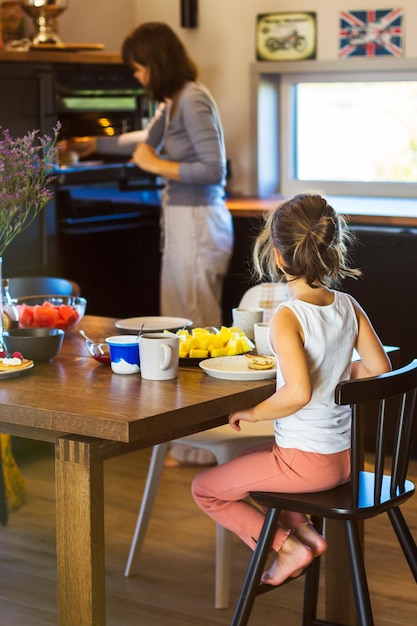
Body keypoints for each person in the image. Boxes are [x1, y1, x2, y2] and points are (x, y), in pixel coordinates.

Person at [191, 193, 391, 585]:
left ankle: (287, 546)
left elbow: (297, 393)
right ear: (331, 249)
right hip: (344, 459)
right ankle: (304, 535)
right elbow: (378, 366)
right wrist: (335, 373)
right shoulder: (348, 305)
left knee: (206, 490)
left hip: (307, 465)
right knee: (252, 456)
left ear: (279, 257)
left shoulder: (288, 316)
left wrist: (252, 412)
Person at [121, 21, 234, 330]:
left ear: (155, 64)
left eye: (138, 67)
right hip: (182, 222)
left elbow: (214, 170)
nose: (136, 75)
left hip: (199, 222)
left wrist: (155, 164)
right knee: (175, 323)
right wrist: (88, 144)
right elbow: (145, 140)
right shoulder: (172, 101)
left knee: (197, 325)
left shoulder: (192, 99)